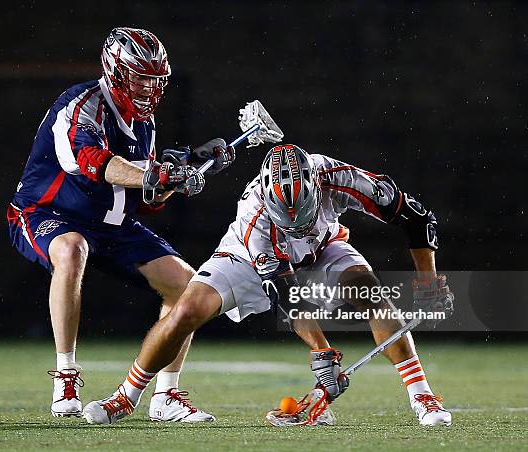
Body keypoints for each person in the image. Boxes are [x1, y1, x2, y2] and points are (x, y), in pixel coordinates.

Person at [82, 144, 454, 427]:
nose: (295, 222)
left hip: (323, 245)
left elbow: (418, 219)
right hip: (248, 256)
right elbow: (289, 298)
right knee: (187, 311)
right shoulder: (255, 216)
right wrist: (323, 358)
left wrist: (429, 283)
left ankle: (424, 398)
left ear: (314, 186)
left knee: (370, 295)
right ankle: (126, 397)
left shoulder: (340, 178)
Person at [6, 27, 234, 422]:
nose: (149, 87)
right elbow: (92, 160)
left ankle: (166, 396)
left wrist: (178, 177)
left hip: (109, 223)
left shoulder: (144, 124)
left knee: (187, 284)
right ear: (115, 70)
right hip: (48, 213)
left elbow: (144, 201)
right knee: (72, 249)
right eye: (140, 75)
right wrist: (151, 176)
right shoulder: (81, 104)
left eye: (154, 78)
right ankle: (65, 374)